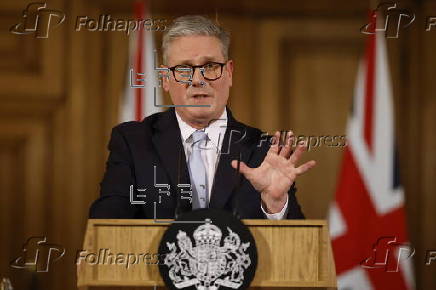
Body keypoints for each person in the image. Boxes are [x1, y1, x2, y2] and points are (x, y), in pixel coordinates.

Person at [89, 15, 316, 220]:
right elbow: (108, 221)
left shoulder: (263, 150)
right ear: (166, 79)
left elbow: (295, 247)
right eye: (185, 68)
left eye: (209, 66)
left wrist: (275, 205)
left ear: (229, 73)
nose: (198, 80)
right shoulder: (134, 141)